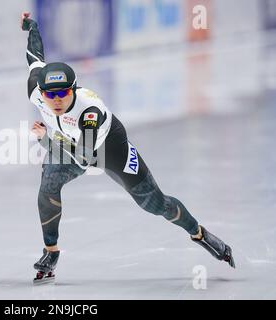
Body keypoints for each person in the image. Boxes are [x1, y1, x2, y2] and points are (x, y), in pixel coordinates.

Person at [20, 12, 235, 284]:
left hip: (109, 147)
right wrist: (32, 27)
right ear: (41, 92)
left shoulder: (90, 113)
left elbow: (85, 158)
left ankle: (199, 233)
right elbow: (35, 58)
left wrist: (45, 141)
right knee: (48, 184)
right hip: (69, 145)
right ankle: (51, 252)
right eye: (50, 94)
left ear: (74, 90)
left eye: (63, 93)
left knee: (157, 204)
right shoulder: (36, 90)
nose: (56, 100)